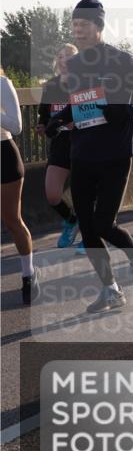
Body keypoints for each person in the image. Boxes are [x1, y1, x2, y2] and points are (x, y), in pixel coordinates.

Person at [44, 0, 133, 313]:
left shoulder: (121, 60)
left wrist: (128, 113)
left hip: (114, 155)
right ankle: (110, 289)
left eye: (83, 25)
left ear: (98, 26)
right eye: (74, 26)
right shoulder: (76, 65)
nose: (77, 31)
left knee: (104, 224)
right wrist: (60, 119)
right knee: (89, 227)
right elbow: (81, 102)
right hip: (82, 154)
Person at [36, 44, 80, 248]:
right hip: (60, 145)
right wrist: (42, 126)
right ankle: (71, 221)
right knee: (52, 194)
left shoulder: (84, 84)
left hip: (83, 143)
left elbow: (97, 113)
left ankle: (91, 236)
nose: (65, 61)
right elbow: (44, 115)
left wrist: (77, 122)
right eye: (61, 57)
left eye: (70, 57)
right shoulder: (51, 86)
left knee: (85, 195)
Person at [2, 68, 38, 304]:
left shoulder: (2, 83)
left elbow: (16, 126)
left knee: (12, 220)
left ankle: (29, 274)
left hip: (3, 155)